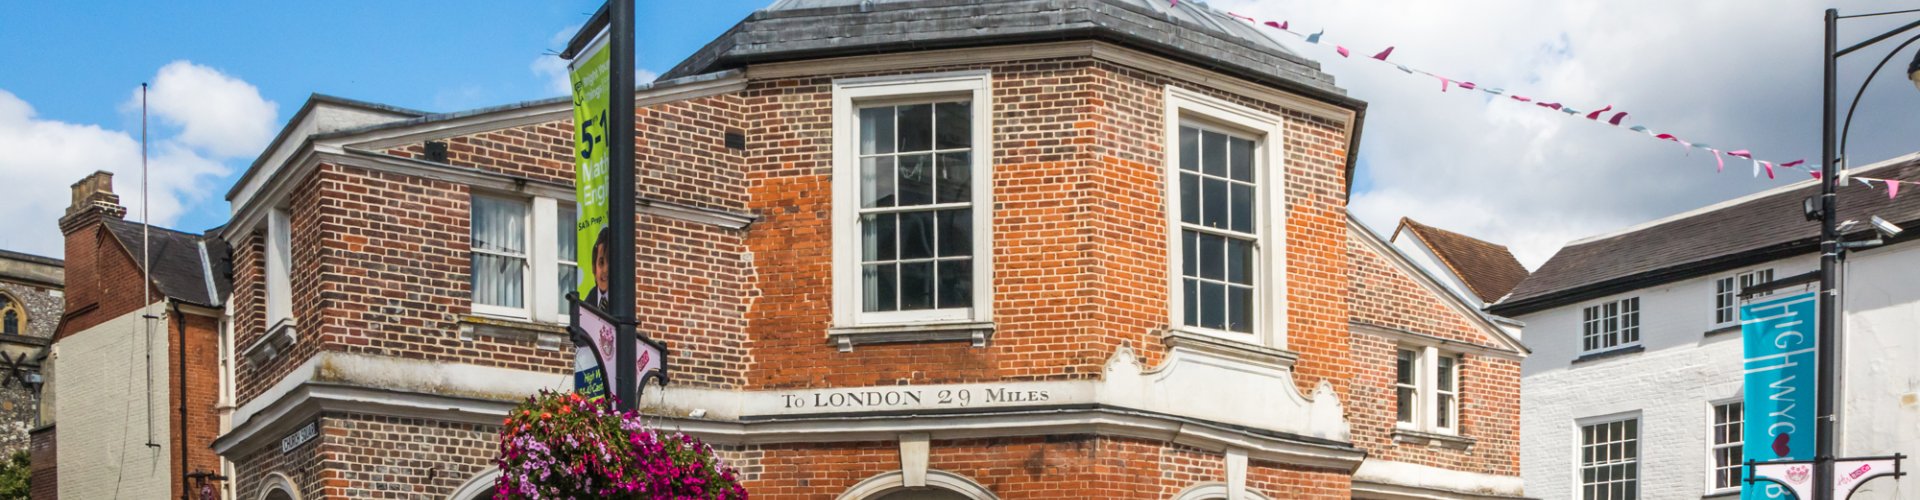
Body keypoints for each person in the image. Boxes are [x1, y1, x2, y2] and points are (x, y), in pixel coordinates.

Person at [582, 226, 612, 311]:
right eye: (601, 263)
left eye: (610, 263)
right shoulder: (586, 305)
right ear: (594, 268)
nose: (605, 270)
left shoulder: (621, 301)